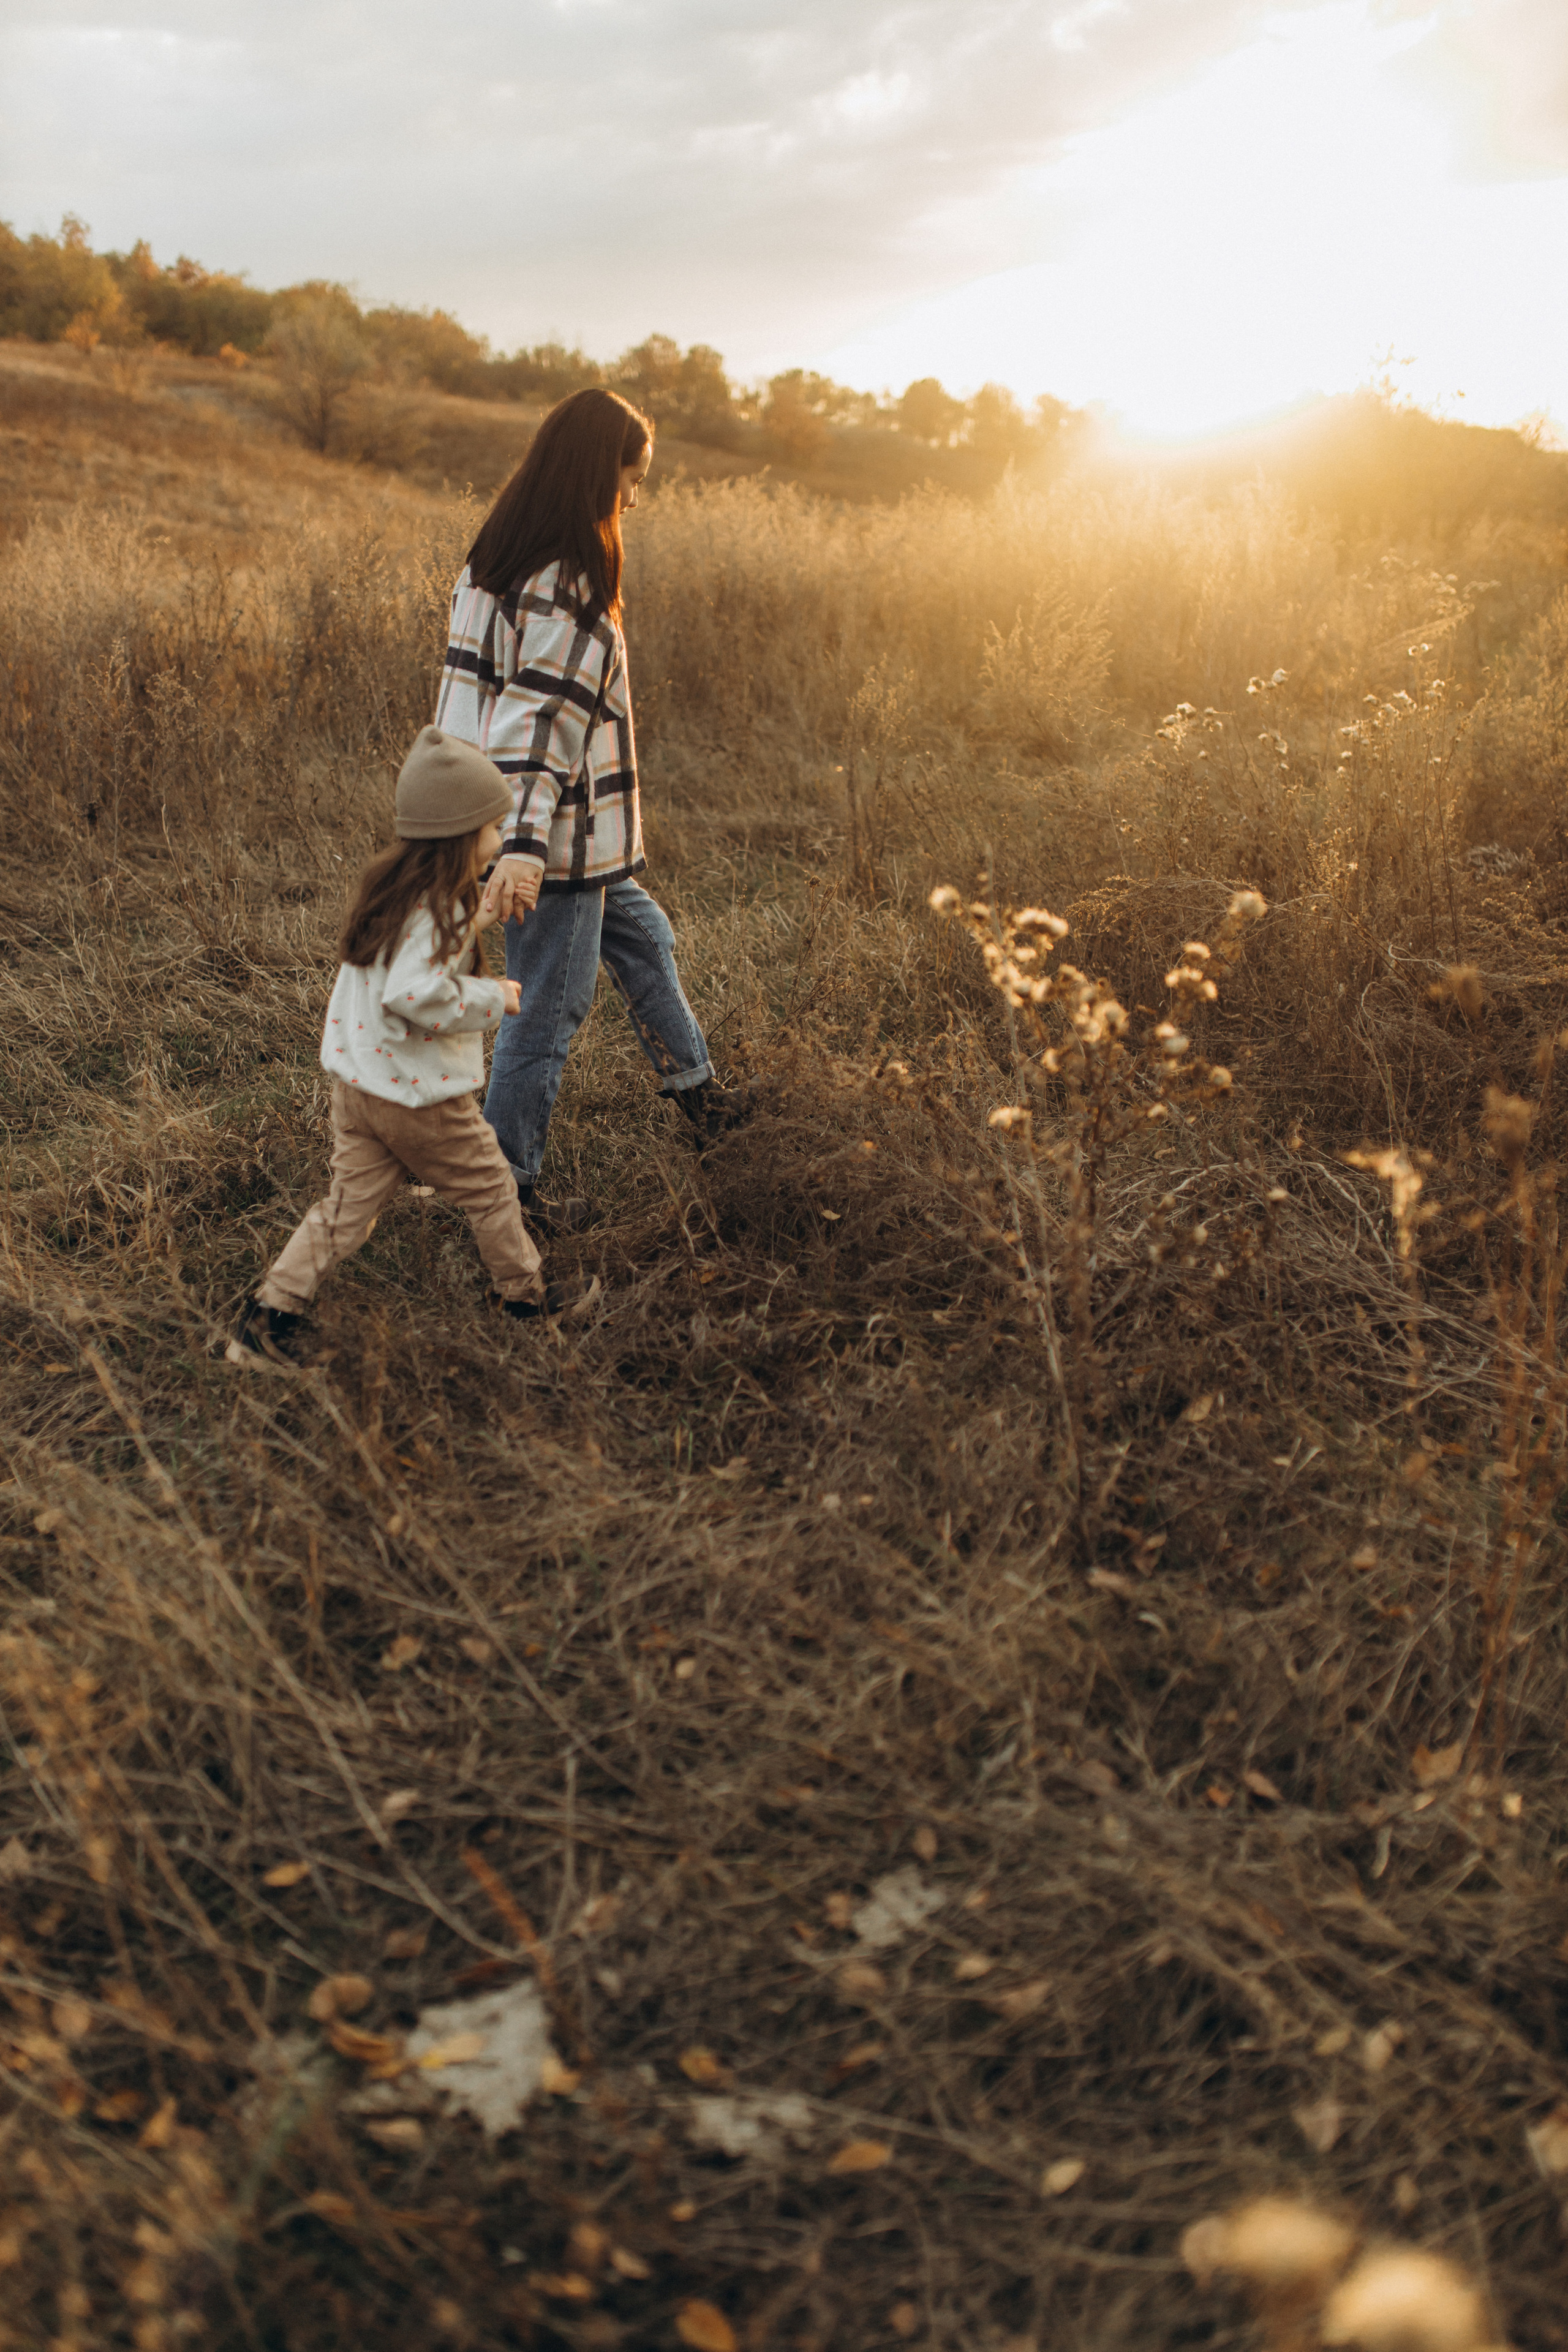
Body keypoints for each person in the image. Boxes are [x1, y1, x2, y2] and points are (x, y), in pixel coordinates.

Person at [434, 385, 749, 1233]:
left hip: (533, 828)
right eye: (630, 477)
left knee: (646, 941)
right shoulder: (568, 585)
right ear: (592, 473)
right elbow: (536, 730)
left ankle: (706, 1107)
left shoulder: (494, 559)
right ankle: (505, 1199)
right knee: (545, 1010)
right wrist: (524, 847)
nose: (634, 498)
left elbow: (478, 705)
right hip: (555, 841)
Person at [227, 727, 574, 1361]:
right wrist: (492, 996)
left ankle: (266, 1322)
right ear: (461, 836)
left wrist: (485, 914)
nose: (499, 843)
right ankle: (522, 1299)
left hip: (359, 1087)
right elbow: (414, 993)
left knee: (347, 1210)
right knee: (492, 1187)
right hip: (416, 1097)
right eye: (494, 829)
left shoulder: (396, 894)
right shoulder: (437, 912)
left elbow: (411, 957)